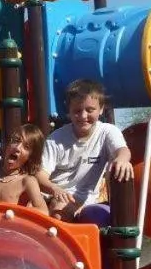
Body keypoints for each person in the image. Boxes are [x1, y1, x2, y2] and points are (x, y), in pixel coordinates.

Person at [37, 79, 134, 223]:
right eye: (77, 111)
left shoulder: (107, 131)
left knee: (102, 218)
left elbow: (122, 150)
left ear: (101, 109)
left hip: (88, 201)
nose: (83, 116)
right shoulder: (56, 139)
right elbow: (40, 174)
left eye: (90, 110)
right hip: (58, 196)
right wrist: (54, 189)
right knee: (60, 212)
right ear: (68, 111)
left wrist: (122, 159)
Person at [0, 124, 50, 212]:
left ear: (30, 157)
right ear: (7, 144)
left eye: (26, 147)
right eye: (16, 141)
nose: (17, 148)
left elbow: (44, 212)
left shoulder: (27, 181)